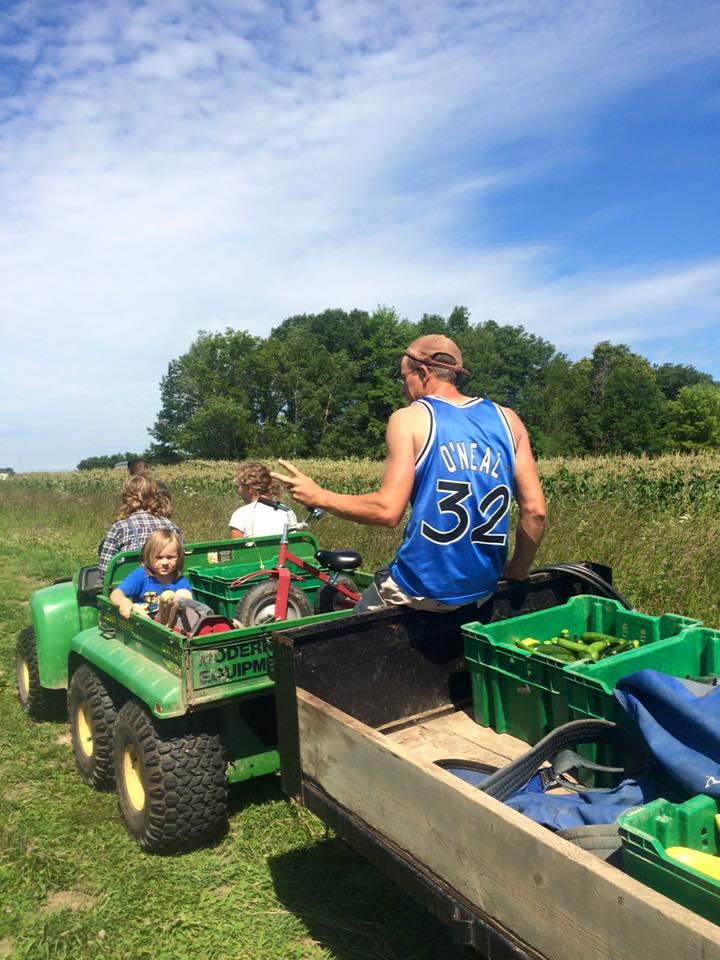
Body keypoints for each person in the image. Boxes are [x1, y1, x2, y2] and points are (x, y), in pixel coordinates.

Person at [272, 334, 546, 613]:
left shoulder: (409, 419)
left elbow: (387, 511)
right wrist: (518, 570)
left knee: (348, 635)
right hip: (481, 589)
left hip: (419, 590)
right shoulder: (508, 419)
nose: (403, 390)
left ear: (424, 372)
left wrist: (319, 496)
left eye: (404, 379)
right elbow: (535, 511)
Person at [98, 473, 182, 574]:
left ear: (127, 498)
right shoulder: (171, 526)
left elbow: (105, 570)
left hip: (130, 587)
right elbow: (182, 560)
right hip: (167, 584)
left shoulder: (119, 528)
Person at [110, 529, 191, 619]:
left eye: (170, 557)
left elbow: (190, 607)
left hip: (170, 625)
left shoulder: (179, 580)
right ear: (148, 556)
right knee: (135, 608)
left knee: (184, 594)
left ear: (178, 557)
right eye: (159, 557)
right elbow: (116, 594)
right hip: (143, 624)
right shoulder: (141, 576)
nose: (165, 562)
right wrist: (123, 602)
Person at [229, 461, 297, 539]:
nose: (238, 492)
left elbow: (237, 550)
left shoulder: (240, 515)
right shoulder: (287, 511)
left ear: (249, 488)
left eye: (238, 487)